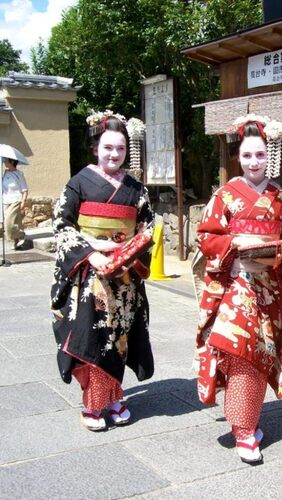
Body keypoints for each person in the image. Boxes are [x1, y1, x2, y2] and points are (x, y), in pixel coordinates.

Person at [193, 114, 282, 463]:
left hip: (269, 283)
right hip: (236, 282)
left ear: (271, 156)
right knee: (239, 349)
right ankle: (244, 430)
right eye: (248, 155)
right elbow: (207, 234)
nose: (254, 162)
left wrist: (276, 255)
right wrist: (232, 255)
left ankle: (248, 420)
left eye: (261, 155)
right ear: (238, 156)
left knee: (260, 352)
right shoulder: (225, 195)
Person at [50, 111, 154, 431]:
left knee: (121, 336)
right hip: (91, 273)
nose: (114, 154)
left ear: (127, 150)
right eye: (108, 147)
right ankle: (94, 404)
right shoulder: (79, 182)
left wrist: (131, 252)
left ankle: (115, 396)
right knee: (94, 336)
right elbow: (62, 225)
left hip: (124, 277)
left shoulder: (136, 188)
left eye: (120, 148)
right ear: (96, 147)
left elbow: (146, 228)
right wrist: (90, 252)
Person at [2, 157, 28, 249]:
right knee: (14, 222)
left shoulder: (19, 174)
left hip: (15, 200)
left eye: (6, 161)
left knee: (8, 223)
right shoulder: (4, 173)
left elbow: (25, 190)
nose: (4, 162)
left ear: (12, 162)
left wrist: (23, 202)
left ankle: (21, 234)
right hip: (5, 201)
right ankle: (16, 242)